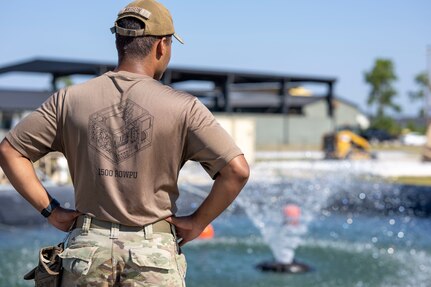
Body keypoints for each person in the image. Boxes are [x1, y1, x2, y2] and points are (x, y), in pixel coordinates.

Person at [0, 0, 249, 286]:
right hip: (153, 256)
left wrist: (51, 210)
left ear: (119, 43)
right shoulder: (184, 108)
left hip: (87, 253)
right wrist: (197, 223)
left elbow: (10, 151)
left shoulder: (69, 99)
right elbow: (237, 171)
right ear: (162, 46)